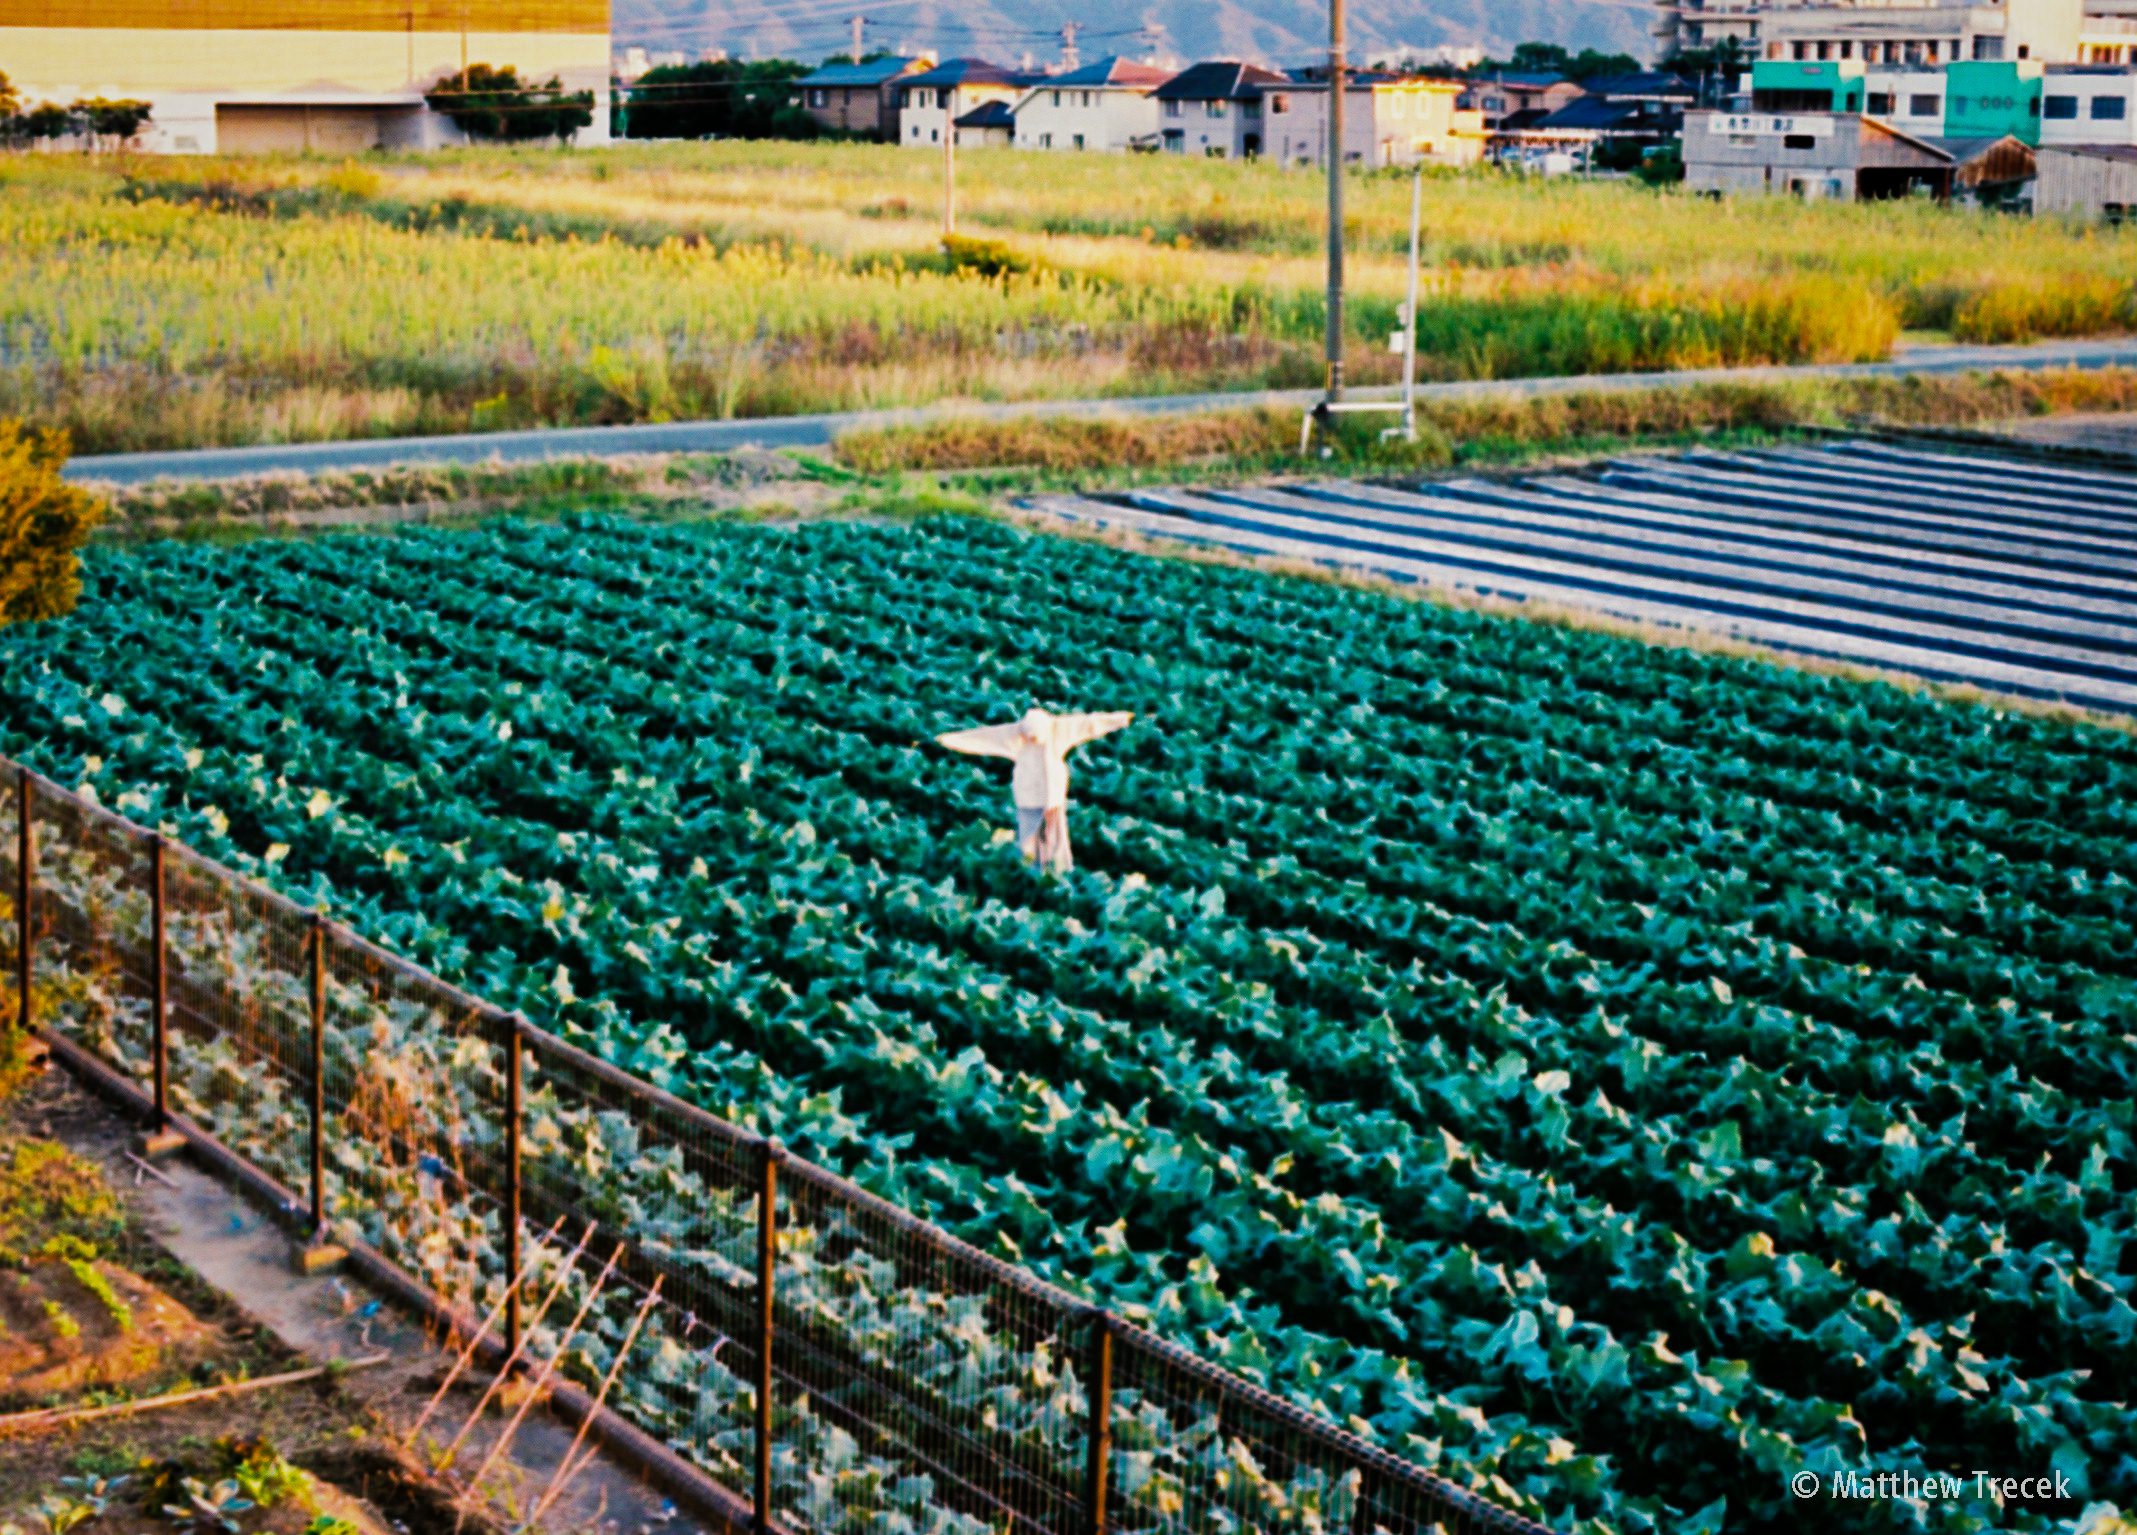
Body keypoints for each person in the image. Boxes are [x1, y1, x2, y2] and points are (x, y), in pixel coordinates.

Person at [935, 707, 1134, 872]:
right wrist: (947, 740)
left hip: (1052, 795)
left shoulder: (1060, 729)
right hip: (1027, 794)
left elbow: (1091, 724)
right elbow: (980, 739)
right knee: (1028, 837)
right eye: (1030, 737)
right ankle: (1031, 870)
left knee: (1055, 836)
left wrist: (1122, 719)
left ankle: (1059, 872)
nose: (1033, 740)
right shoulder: (1013, 734)